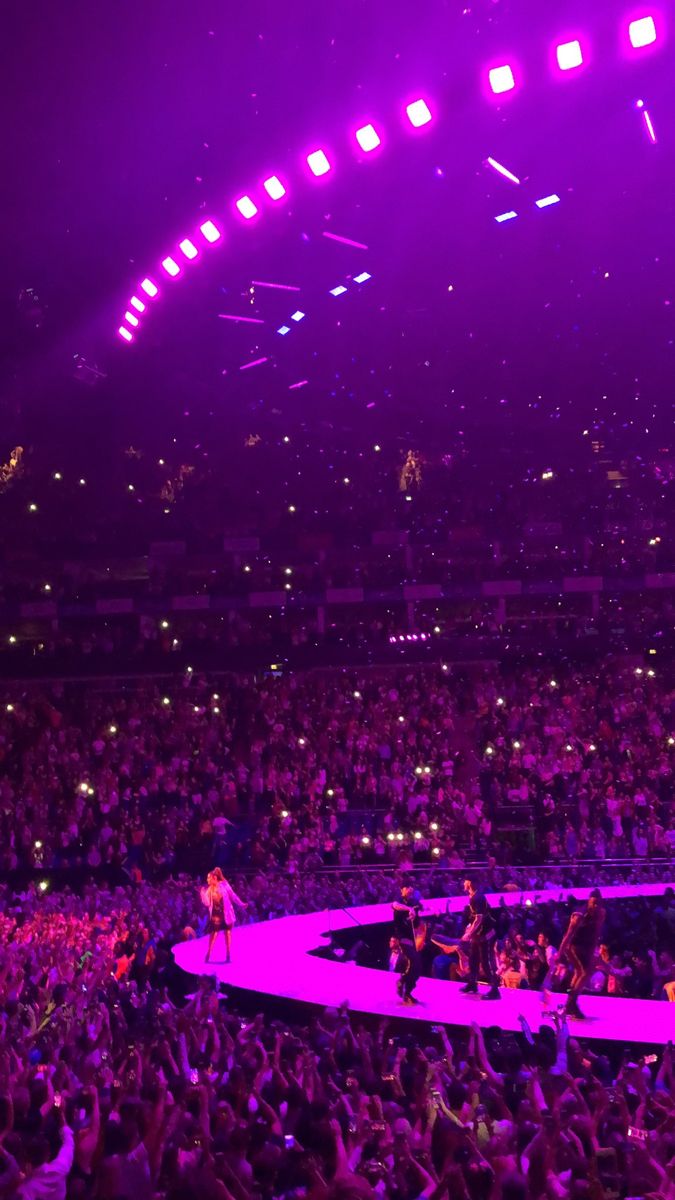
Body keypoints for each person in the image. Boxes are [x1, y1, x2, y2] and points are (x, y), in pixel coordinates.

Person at [558, 887, 605, 1018]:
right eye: (593, 903)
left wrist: (593, 950)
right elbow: (567, 936)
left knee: (580, 972)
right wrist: (559, 954)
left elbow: (596, 933)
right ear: (588, 901)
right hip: (573, 945)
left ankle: (569, 1003)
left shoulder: (601, 913)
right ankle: (572, 1002)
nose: (595, 906)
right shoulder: (579, 916)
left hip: (586, 945)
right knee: (586, 972)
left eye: (597, 903)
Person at [459, 876, 500, 1000]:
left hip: (486, 936)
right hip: (478, 935)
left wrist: (469, 933)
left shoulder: (478, 897)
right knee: (473, 960)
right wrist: (469, 928)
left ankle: (495, 990)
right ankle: (472, 984)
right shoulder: (473, 896)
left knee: (486, 963)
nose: (463, 883)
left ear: (469, 883)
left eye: (465, 881)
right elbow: (474, 918)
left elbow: (479, 919)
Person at [200, 867, 247, 964]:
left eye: (209, 878)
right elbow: (207, 903)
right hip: (215, 916)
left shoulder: (224, 885)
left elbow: (233, 896)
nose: (207, 880)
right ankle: (208, 954)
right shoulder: (209, 890)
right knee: (213, 935)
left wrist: (241, 903)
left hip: (226, 914)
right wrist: (202, 894)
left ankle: (228, 954)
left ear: (214, 878)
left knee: (228, 933)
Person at [389, 936, 420, 1005]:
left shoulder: (406, 956)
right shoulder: (387, 952)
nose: (390, 943)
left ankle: (406, 996)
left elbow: (408, 969)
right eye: (390, 941)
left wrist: (402, 978)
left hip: (401, 977)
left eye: (393, 941)